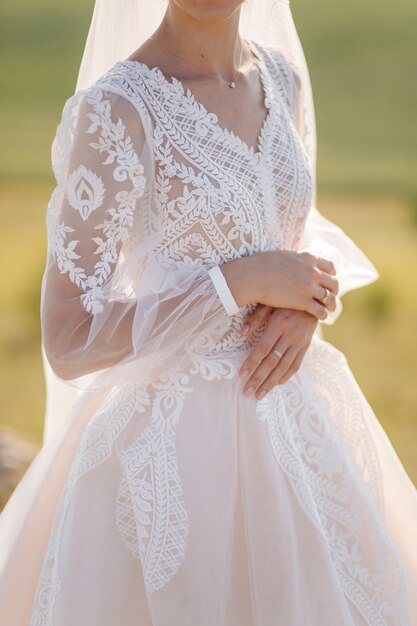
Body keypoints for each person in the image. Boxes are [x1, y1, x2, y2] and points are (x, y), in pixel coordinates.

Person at [0, 1, 416, 624]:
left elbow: (294, 238)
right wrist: (234, 282)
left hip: (300, 428)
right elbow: (69, 336)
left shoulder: (282, 79)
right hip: (174, 455)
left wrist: (306, 308)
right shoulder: (118, 110)